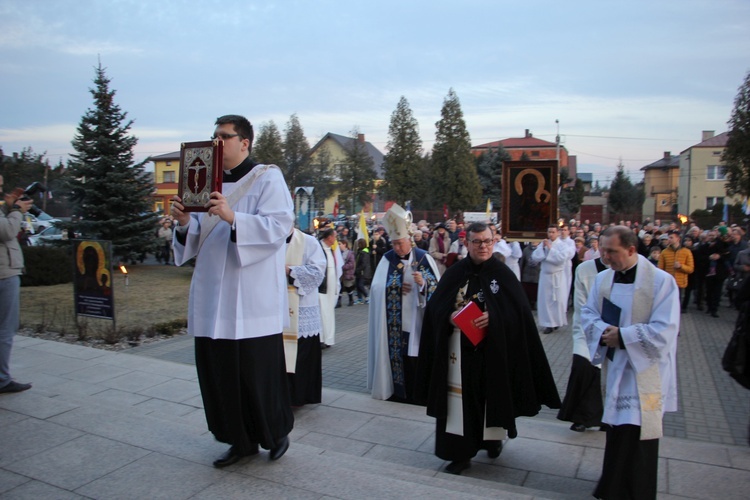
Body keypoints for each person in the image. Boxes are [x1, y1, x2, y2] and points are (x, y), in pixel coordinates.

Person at [170, 114, 294, 467]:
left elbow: (279, 227)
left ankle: (275, 433)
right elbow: (195, 234)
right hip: (213, 296)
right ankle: (238, 441)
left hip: (250, 296)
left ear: (245, 142)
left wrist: (234, 217)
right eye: (214, 136)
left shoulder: (268, 177)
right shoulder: (204, 178)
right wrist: (182, 223)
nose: (217, 143)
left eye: (225, 136)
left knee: (256, 373)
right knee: (220, 375)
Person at [416, 222, 561, 475]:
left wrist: (495, 317)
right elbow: (436, 308)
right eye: (477, 242)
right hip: (458, 356)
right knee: (459, 404)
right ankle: (459, 454)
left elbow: (520, 315)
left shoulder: (503, 274)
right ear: (467, 244)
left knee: (490, 399)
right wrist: (450, 317)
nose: (483, 246)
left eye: (487, 241)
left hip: (491, 353)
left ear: (494, 242)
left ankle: (492, 440)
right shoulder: (455, 272)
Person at [581, 226, 679, 499]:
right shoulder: (603, 280)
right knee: (617, 430)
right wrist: (602, 332)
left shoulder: (661, 282)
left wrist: (622, 336)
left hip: (646, 371)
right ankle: (613, 487)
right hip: (618, 368)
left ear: (632, 250)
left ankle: (638, 491)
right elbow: (587, 314)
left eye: (612, 252)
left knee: (640, 433)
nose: (606, 257)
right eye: (603, 251)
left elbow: (665, 330)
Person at [368, 203, 440, 403]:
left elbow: (438, 290)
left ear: (409, 240)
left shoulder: (424, 259)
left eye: (400, 243)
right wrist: (395, 288)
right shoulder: (387, 259)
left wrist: (424, 284)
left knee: (415, 353)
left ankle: (418, 394)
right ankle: (396, 391)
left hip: (418, 320)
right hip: (394, 322)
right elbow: (375, 289)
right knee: (397, 353)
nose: (397, 248)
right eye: (394, 244)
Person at [557, 235, 609, 432]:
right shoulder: (585, 269)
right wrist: (596, 327)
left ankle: (608, 417)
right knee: (583, 368)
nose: (606, 252)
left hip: (616, 332)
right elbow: (581, 304)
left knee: (609, 375)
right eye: (602, 247)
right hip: (587, 328)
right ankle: (582, 416)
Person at [284, 227, 326, 406]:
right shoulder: (271, 241)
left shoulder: (309, 241)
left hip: (302, 307)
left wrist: (290, 270)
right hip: (277, 309)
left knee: (300, 356)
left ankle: (299, 396)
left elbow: (318, 273)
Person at [0, 176, 34, 394]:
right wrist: (17, 211)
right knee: (5, 328)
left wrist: (8, 206)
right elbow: (6, 232)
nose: (2, 189)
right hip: (4, 274)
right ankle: (2, 379)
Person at [531, 225, 575, 334]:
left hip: (557, 277)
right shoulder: (543, 244)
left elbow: (561, 259)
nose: (551, 234)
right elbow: (535, 256)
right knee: (545, 301)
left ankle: (556, 322)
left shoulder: (562, 245)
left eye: (553, 232)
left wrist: (550, 249)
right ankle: (548, 324)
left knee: (558, 300)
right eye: (549, 232)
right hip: (545, 276)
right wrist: (542, 248)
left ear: (558, 233)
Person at [657, 230, 694, 312]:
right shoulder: (664, 252)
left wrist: (681, 266)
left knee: (677, 305)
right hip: (668, 283)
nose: (669, 239)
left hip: (679, 283)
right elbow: (660, 269)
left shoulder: (686, 252)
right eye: (668, 237)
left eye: (671, 237)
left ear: (678, 239)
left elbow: (691, 269)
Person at [318, 227, 343, 347]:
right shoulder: (318, 249)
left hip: (330, 289)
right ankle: (321, 338)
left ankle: (328, 338)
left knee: (328, 313)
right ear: (329, 238)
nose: (336, 239)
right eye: (335, 236)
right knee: (322, 313)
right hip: (322, 288)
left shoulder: (330, 250)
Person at [354, 238, 372, 304]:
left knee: (360, 285)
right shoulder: (360, 251)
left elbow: (364, 263)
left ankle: (367, 296)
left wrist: (358, 269)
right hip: (359, 271)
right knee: (357, 285)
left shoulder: (364, 252)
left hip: (362, 272)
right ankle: (359, 298)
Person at [338, 239, 356, 307]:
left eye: (340, 244)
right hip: (340, 274)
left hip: (347, 273)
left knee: (348, 287)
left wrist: (343, 267)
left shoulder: (350, 253)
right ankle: (339, 302)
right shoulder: (339, 252)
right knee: (340, 287)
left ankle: (351, 299)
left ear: (344, 244)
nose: (339, 245)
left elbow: (351, 264)